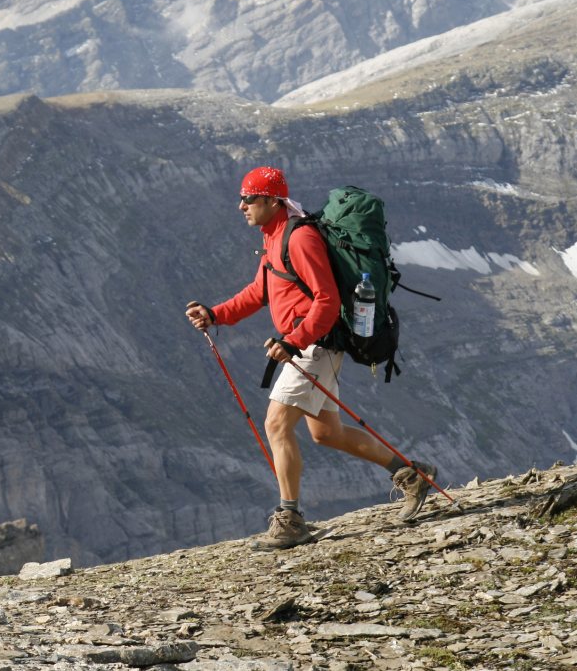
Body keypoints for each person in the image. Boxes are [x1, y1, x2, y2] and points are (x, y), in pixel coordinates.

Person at [186, 166, 436, 550]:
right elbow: (260, 290)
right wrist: (215, 313)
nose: (241, 206)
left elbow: (327, 300)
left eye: (249, 198)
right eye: (242, 198)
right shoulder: (275, 237)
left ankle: (290, 520)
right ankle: (412, 475)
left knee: (276, 424)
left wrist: (294, 340)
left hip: (312, 347)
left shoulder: (299, 239)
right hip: (310, 347)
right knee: (326, 433)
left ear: (273, 201)